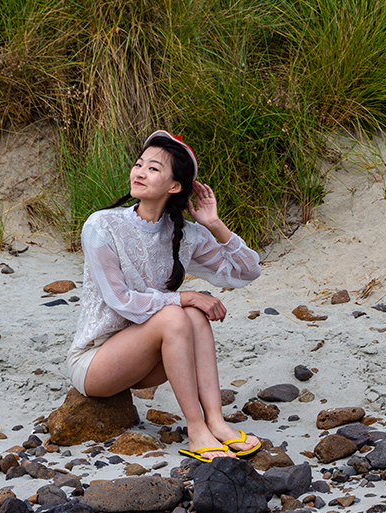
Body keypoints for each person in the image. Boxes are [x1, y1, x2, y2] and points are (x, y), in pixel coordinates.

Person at [66, 129, 264, 462]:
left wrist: (215, 224)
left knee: (194, 316)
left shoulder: (186, 234)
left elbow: (247, 271)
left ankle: (215, 420)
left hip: (145, 360)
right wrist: (184, 297)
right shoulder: (102, 225)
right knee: (179, 311)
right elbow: (120, 300)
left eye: (153, 168)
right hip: (95, 362)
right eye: (139, 164)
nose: (139, 172)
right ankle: (196, 426)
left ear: (174, 186)